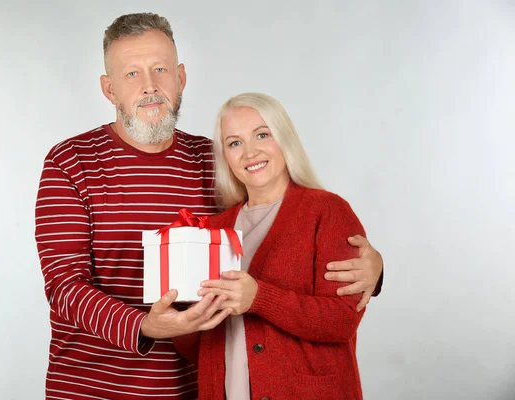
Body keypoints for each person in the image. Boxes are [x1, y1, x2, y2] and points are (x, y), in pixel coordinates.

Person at [34, 12, 383, 400]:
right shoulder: (71, 162)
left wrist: (374, 268)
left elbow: (273, 230)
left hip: (195, 389)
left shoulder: (212, 159)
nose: (150, 86)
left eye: (160, 69)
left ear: (180, 78)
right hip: (95, 387)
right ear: (109, 89)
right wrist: (144, 327)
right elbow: (64, 285)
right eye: (131, 74)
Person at [173, 92, 371, 400]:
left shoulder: (328, 211)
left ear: (284, 139)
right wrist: (182, 311)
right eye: (234, 143)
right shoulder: (213, 229)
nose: (249, 152)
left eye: (262, 135)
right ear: (225, 156)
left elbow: (342, 321)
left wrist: (260, 299)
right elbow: (194, 347)